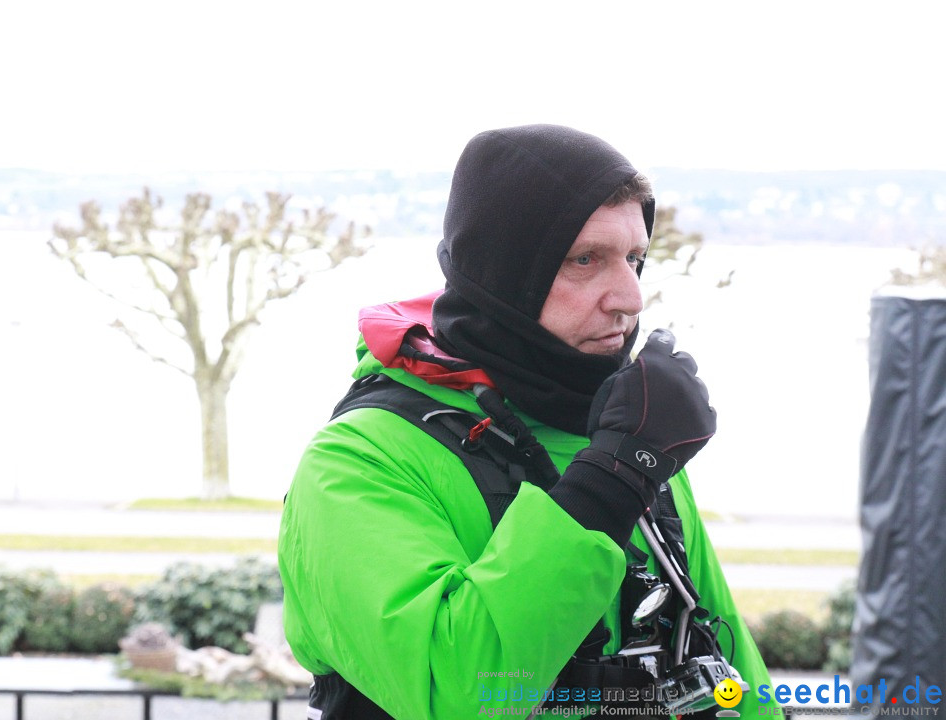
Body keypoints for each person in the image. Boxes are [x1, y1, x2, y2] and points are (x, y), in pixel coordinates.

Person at [278, 124, 781, 719]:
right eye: (585, 259)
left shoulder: (624, 437)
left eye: (635, 258)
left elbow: (728, 674)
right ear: (503, 275)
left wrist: (629, 461)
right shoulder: (359, 462)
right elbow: (460, 694)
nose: (629, 296)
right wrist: (614, 478)